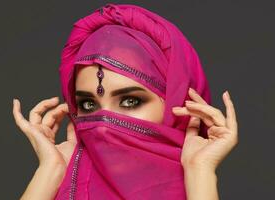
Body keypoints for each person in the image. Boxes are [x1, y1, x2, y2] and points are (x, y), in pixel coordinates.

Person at [12, 3, 238, 200]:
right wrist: (49, 172)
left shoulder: (198, 182)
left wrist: (200, 172)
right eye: (88, 105)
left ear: (177, 104)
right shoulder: (67, 184)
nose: (102, 127)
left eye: (130, 101)